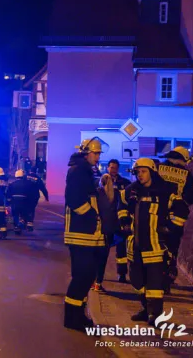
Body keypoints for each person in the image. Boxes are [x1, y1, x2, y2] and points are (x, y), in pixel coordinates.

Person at [118, 158, 171, 325]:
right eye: (138, 172)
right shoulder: (131, 191)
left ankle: (156, 315)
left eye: (143, 171)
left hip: (154, 244)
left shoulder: (164, 191)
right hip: (135, 244)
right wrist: (125, 221)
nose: (140, 175)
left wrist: (169, 228)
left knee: (155, 283)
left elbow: (181, 211)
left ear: (152, 172)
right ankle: (145, 309)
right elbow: (122, 206)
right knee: (136, 280)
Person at [63, 137, 107, 332]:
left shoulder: (85, 170)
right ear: (86, 153)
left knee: (86, 275)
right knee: (82, 275)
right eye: (95, 153)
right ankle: (72, 318)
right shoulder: (79, 170)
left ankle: (78, 315)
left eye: (98, 154)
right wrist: (91, 215)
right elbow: (73, 198)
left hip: (86, 233)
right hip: (80, 232)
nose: (97, 157)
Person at [158, 146, 193, 292]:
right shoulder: (187, 174)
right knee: (172, 249)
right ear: (182, 159)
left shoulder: (158, 168)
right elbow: (191, 197)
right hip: (176, 218)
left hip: (157, 215)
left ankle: (154, 279)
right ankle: (167, 279)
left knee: (155, 247)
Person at [106, 159, 132, 283]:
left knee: (121, 249)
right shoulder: (101, 182)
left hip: (118, 220)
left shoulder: (125, 183)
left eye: (115, 168)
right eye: (111, 167)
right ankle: (98, 275)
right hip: (105, 219)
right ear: (107, 168)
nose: (113, 170)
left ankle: (122, 274)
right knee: (102, 248)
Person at [7, 169, 35, 235]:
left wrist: (8, 203)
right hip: (24, 202)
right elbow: (31, 194)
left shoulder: (12, 184)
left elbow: (8, 194)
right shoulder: (28, 184)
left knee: (15, 215)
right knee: (24, 214)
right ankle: (24, 223)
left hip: (14, 202)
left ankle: (16, 226)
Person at [25, 164, 49, 232]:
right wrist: (46, 197)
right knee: (31, 209)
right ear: (36, 171)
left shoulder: (25, 176)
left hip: (25, 195)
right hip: (34, 196)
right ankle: (30, 224)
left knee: (24, 208)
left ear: (30, 170)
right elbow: (43, 189)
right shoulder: (38, 179)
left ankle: (23, 221)